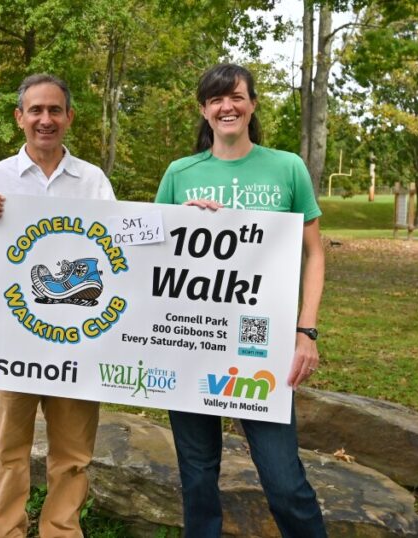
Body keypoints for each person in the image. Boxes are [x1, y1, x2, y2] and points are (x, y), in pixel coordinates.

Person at [154, 63, 328, 537]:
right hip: (190, 341)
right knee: (197, 476)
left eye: (235, 97)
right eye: (215, 99)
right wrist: (181, 223)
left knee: (284, 481)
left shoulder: (286, 166)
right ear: (204, 111)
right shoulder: (179, 173)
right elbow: (149, 254)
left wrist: (305, 331)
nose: (226, 106)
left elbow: (314, 254)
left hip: (261, 345)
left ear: (251, 105)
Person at [0, 74, 115, 537]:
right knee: (7, 449)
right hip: (13, 338)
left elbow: (117, 254)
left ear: (69, 117)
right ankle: (4, 531)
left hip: (77, 340)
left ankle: (61, 531)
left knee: (73, 455)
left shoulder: (93, 180)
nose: (46, 120)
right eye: (36, 111)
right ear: (19, 117)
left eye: (55, 111)